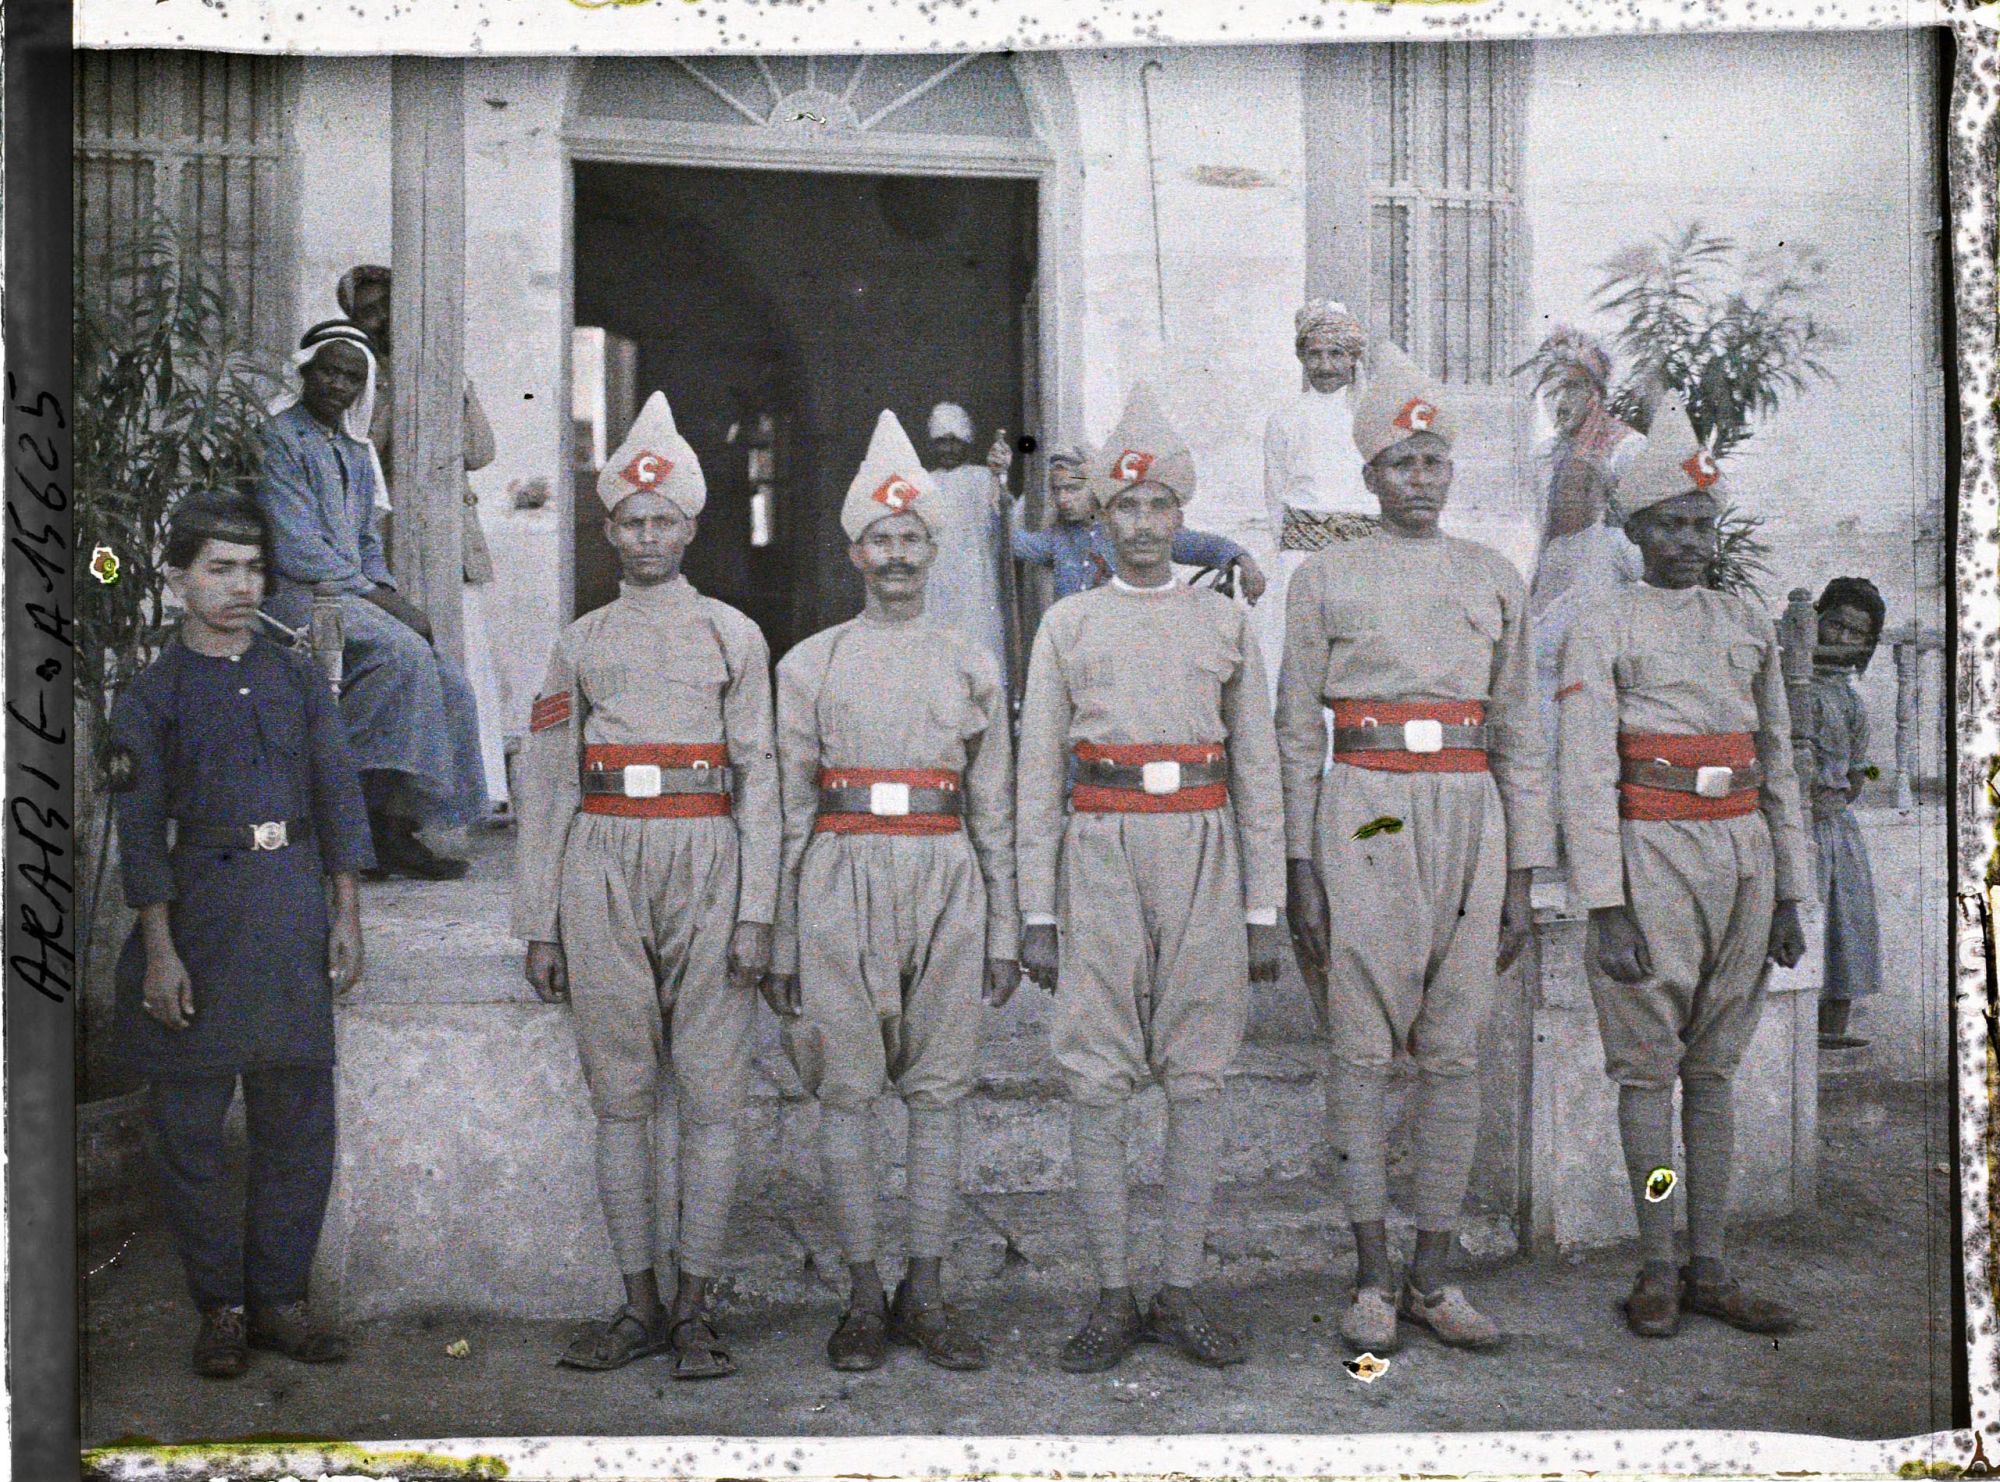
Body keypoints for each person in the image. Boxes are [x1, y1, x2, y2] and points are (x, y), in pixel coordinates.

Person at [1276, 339, 1554, 1356]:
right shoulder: (1324, 577)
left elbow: (1520, 730)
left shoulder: (1491, 577)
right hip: (1365, 811)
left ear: (1451, 468)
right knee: (1358, 1046)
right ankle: (1368, 1275)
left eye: (1432, 460)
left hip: (1467, 817)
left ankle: (1434, 1276)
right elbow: (1293, 731)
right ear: (1366, 474)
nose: (1418, 479)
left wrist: (1522, 872)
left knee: (1452, 1051)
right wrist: (1298, 869)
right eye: (1399, 463)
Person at [1016, 383, 1287, 1374]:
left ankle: (1178, 1290)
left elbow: (1256, 770)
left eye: (1157, 507)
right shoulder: (1070, 627)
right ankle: (1110, 1294)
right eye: (1122, 506)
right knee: (1096, 1078)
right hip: (1099, 850)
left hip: (1204, 851)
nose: (1139, 524)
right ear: (1098, 512)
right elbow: (1036, 772)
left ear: (1182, 517)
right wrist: (1035, 912)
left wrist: (1262, 908)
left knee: (1198, 1075)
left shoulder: (1222, 626)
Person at [511, 391, 779, 1379]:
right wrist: (539, 920)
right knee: (620, 1097)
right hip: (603, 864)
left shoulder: (732, 635)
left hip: (707, 858)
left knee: (709, 1099)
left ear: (692, 525)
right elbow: (544, 783)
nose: (646, 536)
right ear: (609, 525)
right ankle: (636, 1306)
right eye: (630, 519)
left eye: (663, 520)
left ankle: (698, 1307)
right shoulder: (579, 641)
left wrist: (757, 912)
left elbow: (762, 778)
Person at [765, 410, 1020, 1373]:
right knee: (849, 1093)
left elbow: (991, 806)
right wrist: (785, 936)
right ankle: (863, 1292)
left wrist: (1001, 926)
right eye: (882, 538)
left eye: (913, 537)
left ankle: (929, 1285)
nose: (899, 554)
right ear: (855, 551)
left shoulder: (970, 660)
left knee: (941, 1095)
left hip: (946, 877)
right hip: (839, 873)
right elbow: (789, 810)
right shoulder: (810, 662)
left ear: (933, 545)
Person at [1555, 400, 1810, 1339]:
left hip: (1741, 852)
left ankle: (1711, 1262)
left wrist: (1789, 889)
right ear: (1637, 531)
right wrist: (1604, 902)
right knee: (1647, 1073)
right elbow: (1584, 767)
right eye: (1671, 524)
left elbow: (1778, 760)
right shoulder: (1604, 621)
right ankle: (1656, 1261)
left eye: (1704, 524)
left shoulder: (1743, 619)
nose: (1691, 541)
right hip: (1650, 852)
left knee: (1715, 1071)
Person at [106, 491, 372, 1379]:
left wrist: (345, 912)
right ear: (177, 578)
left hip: (290, 901)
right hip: (201, 916)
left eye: (253, 568)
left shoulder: (297, 674)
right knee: (189, 1124)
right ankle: (219, 1309)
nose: (240, 585)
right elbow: (141, 833)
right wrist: (160, 950)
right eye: (219, 568)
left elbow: (336, 790)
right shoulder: (151, 695)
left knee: (297, 1116)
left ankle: (281, 1305)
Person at [254, 319, 487, 880]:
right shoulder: (279, 439)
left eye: (352, 377)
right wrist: (383, 603)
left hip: (348, 596)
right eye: (329, 371)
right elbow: (297, 548)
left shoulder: (355, 451)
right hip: (298, 596)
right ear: (306, 370)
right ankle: (354, 824)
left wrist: (383, 590)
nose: (338, 385)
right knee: (402, 656)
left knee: (447, 678)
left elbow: (364, 542)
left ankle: (396, 825)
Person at [336, 264, 509, 809]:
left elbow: (481, 452)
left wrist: (452, 387)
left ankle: (472, 799)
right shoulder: (359, 375)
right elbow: (370, 452)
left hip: (453, 545)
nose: (384, 318)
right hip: (393, 547)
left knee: (466, 669)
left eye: (390, 304)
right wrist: (389, 391)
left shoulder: (444, 364)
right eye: (370, 311)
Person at [1260, 300, 1375, 702]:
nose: (1326, 366)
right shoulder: (1286, 419)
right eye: (1315, 354)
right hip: (1301, 558)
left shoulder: (1372, 416)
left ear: (1353, 359)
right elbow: (1276, 498)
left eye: (1336, 354)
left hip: (1363, 557)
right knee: (1296, 667)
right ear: (1302, 358)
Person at [1012, 440, 1267, 605]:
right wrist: (996, 485)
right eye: (1057, 491)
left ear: (1096, 487)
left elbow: (1200, 546)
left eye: (1072, 489)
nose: (1062, 499)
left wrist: (1246, 562)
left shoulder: (1130, 528)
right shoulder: (1058, 538)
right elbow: (1016, 544)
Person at [1806, 576, 1888, 1051]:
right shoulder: (1788, 686)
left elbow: (1859, 776)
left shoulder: (1853, 701)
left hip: (1834, 828)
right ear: (1815, 621)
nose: (1839, 638)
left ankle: (1831, 1041)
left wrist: (1832, 803)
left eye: (1853, 633)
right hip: (1795, 824)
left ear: (1866, 644)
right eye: (1833, 624)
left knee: (1845, 934)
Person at [922, 402, 1016, 687]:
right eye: (941, 442)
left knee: (976, 639)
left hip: (974, 575)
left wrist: (1001, 476)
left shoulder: (981, 476)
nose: (947, 449)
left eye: (953, 441)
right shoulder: (924, 482)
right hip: (936, 576)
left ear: (965, 443)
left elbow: (1005, 514)